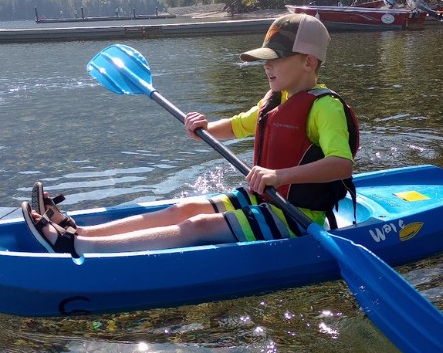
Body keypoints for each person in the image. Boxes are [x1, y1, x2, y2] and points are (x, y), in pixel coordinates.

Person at [22, 13, 359, 258]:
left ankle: (75, 247)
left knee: (198, 225)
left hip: (297, 216)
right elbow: (238, 124)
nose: (267, 66)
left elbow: (340, 164)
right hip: (265, 198)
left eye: (277, 59)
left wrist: (278, 175)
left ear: (309, 62)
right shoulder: (278, 100)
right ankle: (81, 231)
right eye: (265, 60)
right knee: (182, 209)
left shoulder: (324, 108)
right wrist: (203, 128)